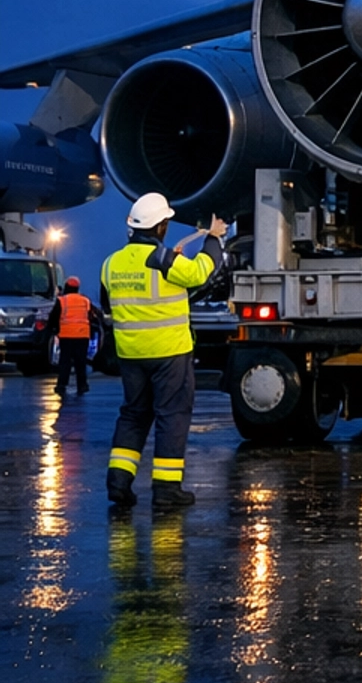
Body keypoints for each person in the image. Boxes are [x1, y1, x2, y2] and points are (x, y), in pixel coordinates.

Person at [100, 192, 228, 513]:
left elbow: (107, 304)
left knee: (133, 415)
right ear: (160, 228)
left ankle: (118, 483)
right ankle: (167, 490)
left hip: (131, 354)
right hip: (170, 353)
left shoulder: (110, 264)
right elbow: (203, 272)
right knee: (171, 417)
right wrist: (213, 239)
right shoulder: (165, 259)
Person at [46, 275, 101, 396]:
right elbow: (93, 316)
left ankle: (61, 386)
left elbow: (54, 317)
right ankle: (82, 385)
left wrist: (52, 330)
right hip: (82, 336)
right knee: (80, 362)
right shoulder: (85, 300)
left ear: (66, 286)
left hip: (66, 335)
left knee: (64, 362)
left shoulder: (62, 300)